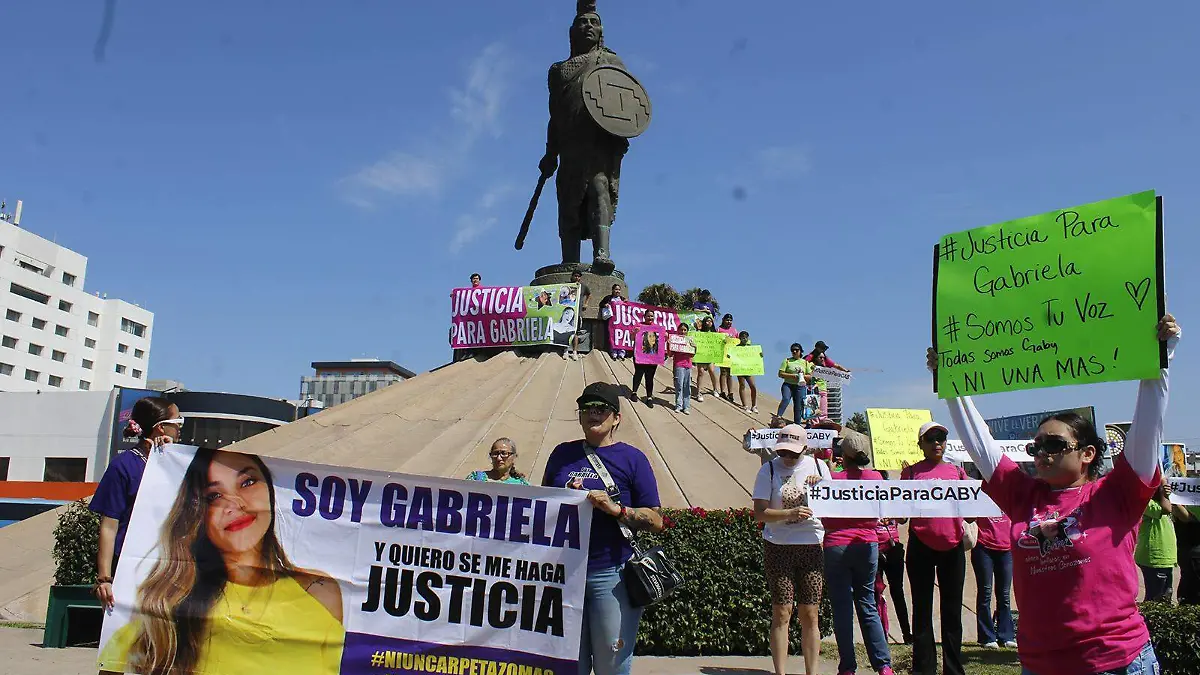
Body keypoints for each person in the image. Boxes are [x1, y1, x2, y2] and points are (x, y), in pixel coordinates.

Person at [931, 314, 1180, 675]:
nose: (1042, 452)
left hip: (1117, 661)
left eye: (1055, 444)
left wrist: (1162, 358)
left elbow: (1147, 428)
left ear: (1087, 453)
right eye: (1036, 446)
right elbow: (980, 442)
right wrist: (950, 381)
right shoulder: (1022, 494)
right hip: (1041, 663)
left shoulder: (1117, 494)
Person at [98, 449, 344, 674]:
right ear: (196, 513)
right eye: (215, 496)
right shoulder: (167, 604)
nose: (234, 504)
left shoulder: (319, 592)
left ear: (270, 490)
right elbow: (113, 666)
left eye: (247, 482)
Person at [542, 382, 663, 675]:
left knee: (612, 664)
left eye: (601, 409)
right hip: (563, 574)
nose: (593, 414)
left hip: (611, 574)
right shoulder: (561, 454)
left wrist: (617, 510)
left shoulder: (633, 459)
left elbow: (656, 520)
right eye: (586, 409)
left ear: (616, 417)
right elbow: (541, 505)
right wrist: (565, 497)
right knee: (569, 664)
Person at [90, 397, 182, 614]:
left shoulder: (175, 464)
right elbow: (109, 525)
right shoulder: (123, 467)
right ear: (161, 428)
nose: (180, 430)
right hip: (128, 566)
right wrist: (105, 578)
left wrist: (171, 458)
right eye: (178, 423)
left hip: (166, 567)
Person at [752, 424, 829, 675]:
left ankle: (812, 671)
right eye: (783, 451)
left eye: (793, 452)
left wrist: (822, 488)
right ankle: (780, 672)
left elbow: (833, 507)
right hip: (778, 546)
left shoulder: (819, 467)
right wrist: (790, 513)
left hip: (810, 544)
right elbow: (759, 513)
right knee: (782, 611)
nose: (787, 457)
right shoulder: (769, 469)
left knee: (810, 612)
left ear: (805, 448)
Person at [821, 427, 894, 675]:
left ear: (845, 455)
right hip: (867, 544)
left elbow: (824, 516)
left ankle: (848, 667)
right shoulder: (876, 479)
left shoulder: (832, 479)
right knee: (868, 605)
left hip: (836, 545)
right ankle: (883, 665)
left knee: (842, 608)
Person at [901, 421, 968, 675]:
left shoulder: (957, 472)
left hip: (953, 546)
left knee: (952, 611)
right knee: (922, 609)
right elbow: (901, 515)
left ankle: (953, 669)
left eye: (941, 438)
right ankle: (923, 669)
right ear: (921, 445)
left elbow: (971, 510)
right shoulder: (910, 474)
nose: (937, 443)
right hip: (920, 545)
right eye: (931, 439)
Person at [973, 514, 1016, 649]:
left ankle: (1006, 635)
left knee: (1004, 595)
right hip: (983, 547)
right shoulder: (982, 496)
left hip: (1006, 548)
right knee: (985, 592)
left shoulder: (1008, 496)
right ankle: (987, 637)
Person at [1135, 482, 1177, 602]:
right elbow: (1166, 509)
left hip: (1165, 557)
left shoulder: (1165, 500)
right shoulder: (1145, 501)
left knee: (1165, 595)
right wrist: (1164, 494)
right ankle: (1149, 620)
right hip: (1154, 557)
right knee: (1156, 598)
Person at [874, 517, 913, 645]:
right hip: (874, 547)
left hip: (893, 547)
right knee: (876, 593)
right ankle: (879, 635)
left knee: (897, 592)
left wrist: (893, 515)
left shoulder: (892, 498)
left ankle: (907, 634)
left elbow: (903, 519)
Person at [804, 341, 849, 417]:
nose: (824, 350)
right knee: (813, 406)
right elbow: (803, 364)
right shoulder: (810, 356)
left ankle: (822, 419)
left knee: (823, 406)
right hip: (812, 385)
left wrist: (845, 370)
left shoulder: (824, 358)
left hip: (822, 386)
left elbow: (835, 365)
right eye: (823, 348)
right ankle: (812, 421)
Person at [1172, 496, 1200, 604]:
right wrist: (1174, 498)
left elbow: (1188, 518)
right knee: (1190, 592)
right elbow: (1185, 518)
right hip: (1191, 554)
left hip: (1191, 553)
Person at [466, 438, 530, 485]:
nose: (499, 458)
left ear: (514, 456)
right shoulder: (476, 479)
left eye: (504, 453)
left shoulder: (523, 486)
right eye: (495, 454)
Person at [777, 343, 813, 424]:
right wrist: (793, 376)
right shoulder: (787, 361)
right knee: (786, 398)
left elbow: (810, 376)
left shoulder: (805, 362)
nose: (794, 351)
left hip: (800, 386)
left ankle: (797, 423)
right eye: (792, 350)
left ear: (800, 351)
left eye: (796, 350)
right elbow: (780, 374)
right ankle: (778, 417)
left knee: (798, 404)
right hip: (788, 384)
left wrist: (802, 375)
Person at [631, 315, 658, 408]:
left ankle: (649, 397)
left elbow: (661, 341)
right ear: (644, 317)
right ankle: (634, 392)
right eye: (648, 316)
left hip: (652, 357)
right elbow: (632, 338)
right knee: (638, 374)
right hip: (639, 355)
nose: (650, 318)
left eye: (652, 316)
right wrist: (634, 333)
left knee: (650, 377)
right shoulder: (638, 325)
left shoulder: (657, 327)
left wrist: (665, 336)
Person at [668, 323, 695, 414]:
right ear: (678, 330)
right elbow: (670, 354)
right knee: (679, 385)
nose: (683, 332)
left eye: (685, 330)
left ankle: (686, 407)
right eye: (681, 330)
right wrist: (669, 345)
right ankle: (678, 405)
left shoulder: (690, 341)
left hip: (688, 366)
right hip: (678, 365)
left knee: (687, 386)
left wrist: (695, 347)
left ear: (687, 331)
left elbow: (692, 355)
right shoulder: (675, 340)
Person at [568, 270, 593, 360]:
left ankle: (575, 351)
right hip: (567, 312)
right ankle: (565, 351)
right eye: (575, 276)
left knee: (576, 332)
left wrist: (586, 303)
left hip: (577, 312)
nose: (577, 278)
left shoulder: (583, 286)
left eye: (578, 276)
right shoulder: (567, 285)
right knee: (565, 332)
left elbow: (589, 294)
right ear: (572, 276)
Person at [693, 316, 719, 402]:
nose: (709, 323)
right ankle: (698, 392)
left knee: (712, 371)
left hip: (710, 355)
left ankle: (715, 389)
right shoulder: (700, 332)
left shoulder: (714, 333)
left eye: (710, 321)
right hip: (701, 355)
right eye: (707, 321)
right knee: (700, 372)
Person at [599, 284, 626, 360]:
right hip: (611, 321)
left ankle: (621, 352)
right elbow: (601, 304)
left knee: (621, 336)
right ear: (612, 290)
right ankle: (613, 352)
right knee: (612, 336)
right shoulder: (608, 298)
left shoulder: (622, 299)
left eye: (619, 290)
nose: (617, 291)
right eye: (616, 289)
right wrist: (605, 304)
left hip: (620, 322)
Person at [735, 330, 758, 413]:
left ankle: (754, 405)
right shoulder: (737, 348)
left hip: (749, 369)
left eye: (746, 338)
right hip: (740, 369)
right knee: (742, 385)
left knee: (753, 386)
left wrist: (760, 355)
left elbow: (756, 357)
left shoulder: (750, 348)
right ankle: (744, 405)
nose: (744, 339)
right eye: (743, 338)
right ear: (740, 338)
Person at [717, 314, 738, 401]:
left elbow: (738, 341)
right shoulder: (719, 329)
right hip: (722, 354)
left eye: (730, 320)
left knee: (730, 374)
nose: (729, 322)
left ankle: (730, 392)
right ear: (723, 320)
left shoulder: (734, 330)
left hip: (731, 354)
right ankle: (722, 391)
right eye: (727, 320)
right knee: (723, 372)